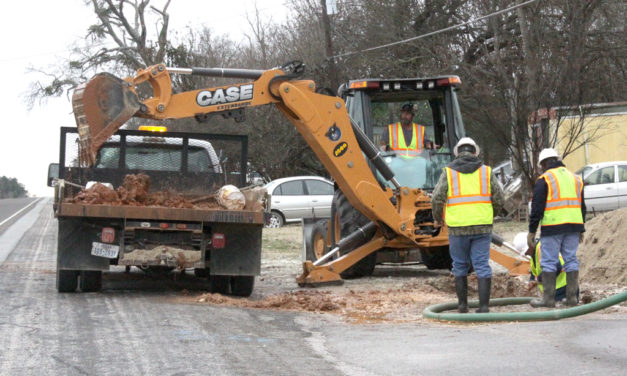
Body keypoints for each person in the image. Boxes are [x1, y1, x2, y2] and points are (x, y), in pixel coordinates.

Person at [431, 137, 505, 313]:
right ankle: (484, 306)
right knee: (482, 265)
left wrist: (438, 218)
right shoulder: (486, 172)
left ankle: (463, 306)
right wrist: (491, 214)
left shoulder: (448, 172)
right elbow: (500, 198)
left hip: (457, 228)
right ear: (475, 152)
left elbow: (437, 198)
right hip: (482, 227)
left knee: (459, 266)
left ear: (457, 152)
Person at [527, 148, 585, 308]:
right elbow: (582, 206)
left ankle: (549, 299)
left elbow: (537, 208)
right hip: (573, 226)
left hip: (553, 227)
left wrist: (532, 231)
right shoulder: (575, 178)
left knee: (549, 262)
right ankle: (572, 299)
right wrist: (581, 228)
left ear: (544, 163)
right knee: (571, 260)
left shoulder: (545, 179)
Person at [513, 232, 578, 303]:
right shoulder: (534, 253)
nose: (526, 254)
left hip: (564, 289)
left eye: (526, 251)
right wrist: (531, 281)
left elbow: (557, 266)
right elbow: (535, 272)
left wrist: (539, 279)